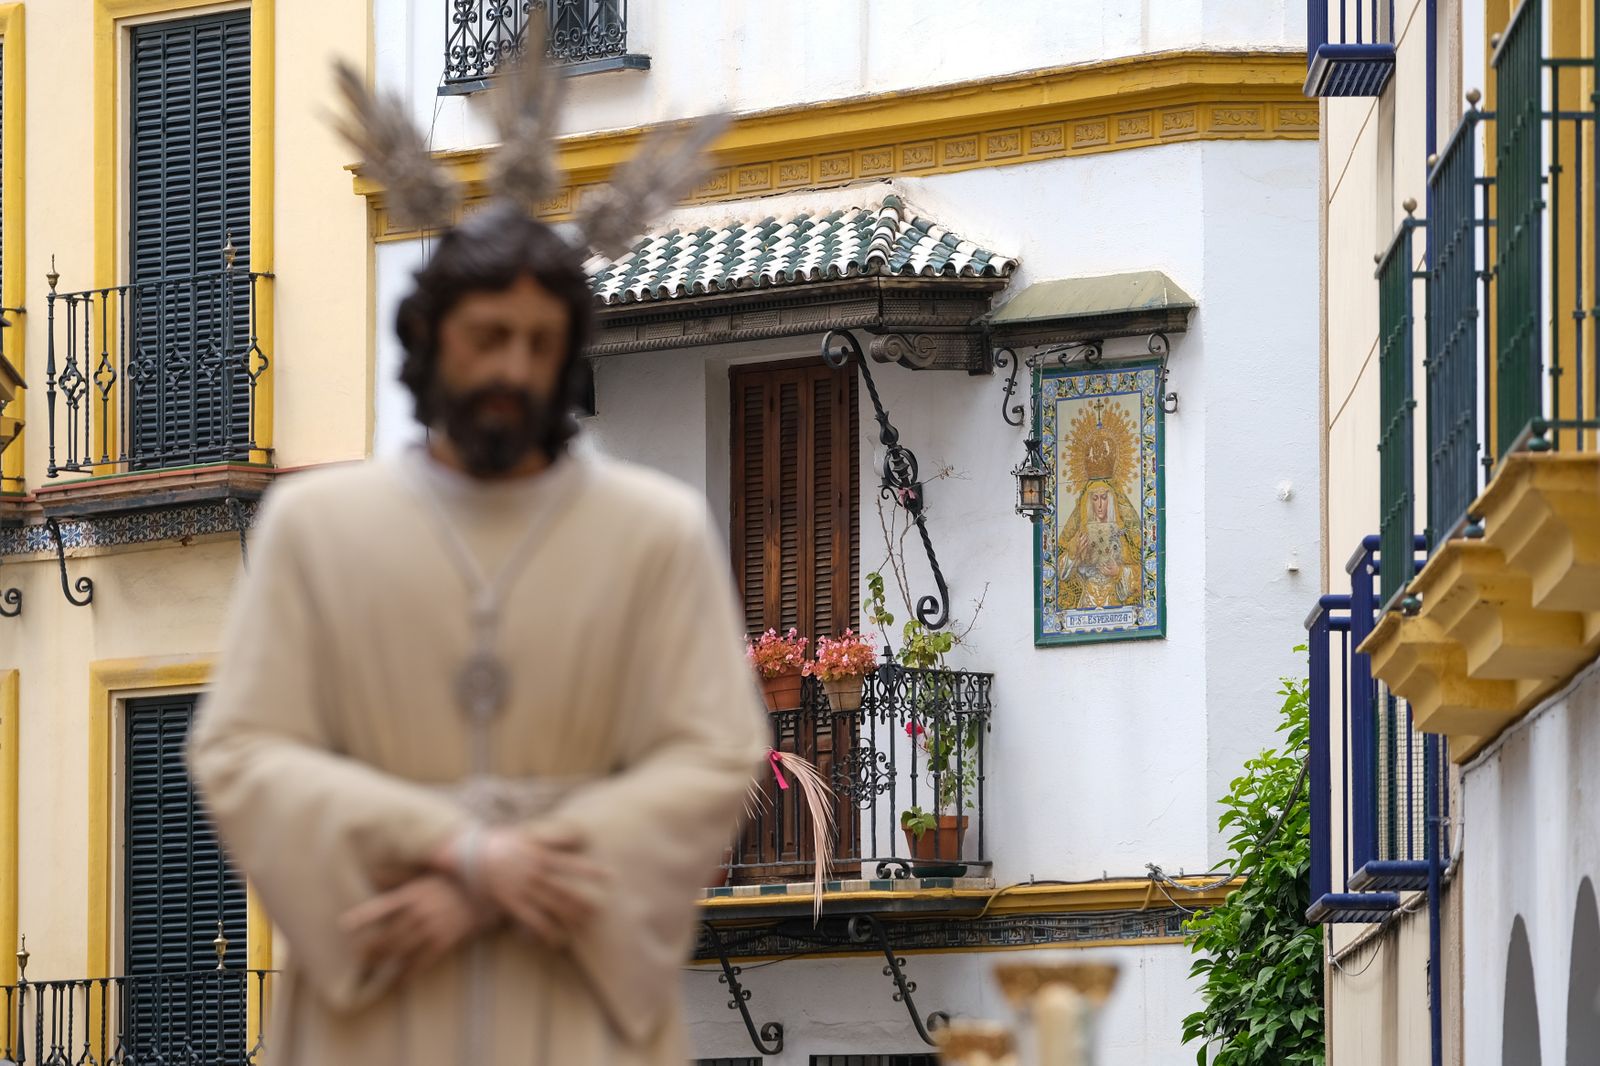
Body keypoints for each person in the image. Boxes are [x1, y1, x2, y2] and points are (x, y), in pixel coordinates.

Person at [189, 201, 768, 1065]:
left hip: (574, 1002)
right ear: (428, 335)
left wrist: (490, 884)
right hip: (386, 994)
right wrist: (459, 850)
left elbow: (714, 756)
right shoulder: (318, 528)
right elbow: (241, 751)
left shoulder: (656, 532)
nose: (515, 367)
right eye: (489, 336)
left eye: (541, 343)